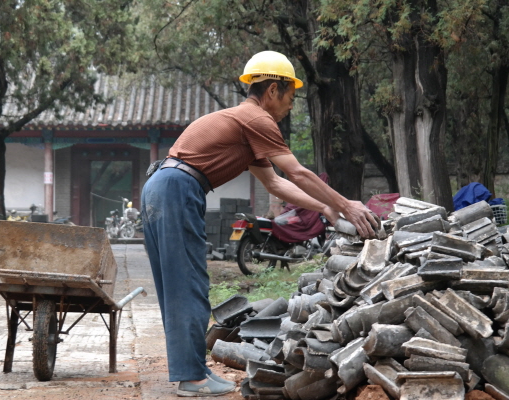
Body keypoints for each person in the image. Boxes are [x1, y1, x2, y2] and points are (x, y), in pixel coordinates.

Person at [141, 50, 378, 397]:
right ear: (272, 91)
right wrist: (346, 204)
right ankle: (192, 378)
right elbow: (296, 171)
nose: (290, 106)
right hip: (178, 189)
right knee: (188, 283)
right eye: (290, 96)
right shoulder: (258, 120)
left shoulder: (244, 124)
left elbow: (276, 184)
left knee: (176, 285)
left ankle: (189, 371)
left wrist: (327, 210)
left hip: (159, 186)